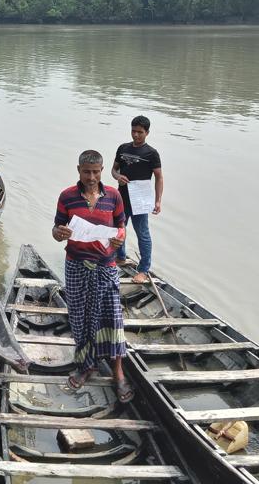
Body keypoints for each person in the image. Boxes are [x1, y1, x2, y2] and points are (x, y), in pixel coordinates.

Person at [52, 149, 133, 403]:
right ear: (78, 170)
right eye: (86, 172)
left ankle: (118, 372)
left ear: (102, 170)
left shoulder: (114, 196)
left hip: (106, 265)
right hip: (76, 264)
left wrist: (120, 239)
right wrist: (59, 233)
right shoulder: (67, 197)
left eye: (95, 172)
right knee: (80, 318)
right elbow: (56, 229)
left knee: (112, 318)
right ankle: (87, 366)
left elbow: (121, 228)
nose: (91, 177)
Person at [111, 115, 163, 284]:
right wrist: (118, 177)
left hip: (140, 200)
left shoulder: (151, 153)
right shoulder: (123, 148)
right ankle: (119, 257)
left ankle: (143, 270)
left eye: (140, 132)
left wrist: (157, 201)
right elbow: (113, 170)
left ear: (147, 132)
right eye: (133, 131)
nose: (136, 135)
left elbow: (159, 177)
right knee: (119, 230)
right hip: (122, 198)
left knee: (143, 234)